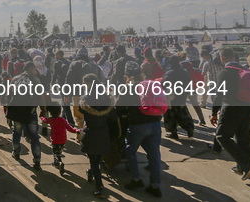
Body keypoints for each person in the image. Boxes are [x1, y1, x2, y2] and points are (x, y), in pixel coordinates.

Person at [117, 61, 163, 198]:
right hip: (155, 123)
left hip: (138, 124)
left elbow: (118, 106)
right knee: (154, 154)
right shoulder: (151, 84)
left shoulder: (130, 87)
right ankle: (155, 186)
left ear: (127, 75)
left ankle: (136, 179)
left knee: (130, 151)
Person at [210, 48, 250, 181]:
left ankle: (246, 164)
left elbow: (219, 94)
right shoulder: (246, 71)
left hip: (231, 107)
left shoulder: (225, 72)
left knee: (221, 136)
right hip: (247, 108)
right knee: (242, 138)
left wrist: (214, 113)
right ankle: (242, 167)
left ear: (222, 58)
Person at [79, 73, 115, 199]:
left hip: (91, 131)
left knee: (93, 160)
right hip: (103, 131)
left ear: (89, 83)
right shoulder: (106, 97)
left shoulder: (86, 99)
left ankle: (99, 186)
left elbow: (81, 110)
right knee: (98, 158)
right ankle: (92, 172)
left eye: (85, 83)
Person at [5, 61, 43, 170]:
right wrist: (43, 109)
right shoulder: (36, 81)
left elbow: (8, 95)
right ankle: (37, 159)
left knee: (16, 133)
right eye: (35, 69)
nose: (36, 71)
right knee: (34, 136)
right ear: (30, 68)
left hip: (17, 112)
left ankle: (16, 152)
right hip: (30, 113)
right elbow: (40, 97)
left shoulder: (15, 79)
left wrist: (9, 110)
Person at [40, 106, 80, 175]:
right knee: (60, 151)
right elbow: (69, 128)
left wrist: (42, 116)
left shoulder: (51, 120)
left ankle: (58, 162)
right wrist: (76, 131)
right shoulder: (62, 120)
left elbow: (45, 120)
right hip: (63, 139)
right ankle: (58, 161)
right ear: (60, 112)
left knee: (55, 152)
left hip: (55, 140)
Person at [162, 56, 194, 139]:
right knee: (183, 113)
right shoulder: (184, 71)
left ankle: (173, 133)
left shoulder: (169, 72)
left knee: (170, 115)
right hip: (182, 96)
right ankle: (189, 129)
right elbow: (189, 82)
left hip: (171, 97)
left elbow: (164, 84)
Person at [54, 50, 75, 126]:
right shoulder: (69, 62)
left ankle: (71, 121)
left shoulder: (57, 63)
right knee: (66, 100)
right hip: (70, 83)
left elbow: (55, 74)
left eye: (56, 55)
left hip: (62, 84)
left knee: (65, 101)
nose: (55, 56)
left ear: (59, 55)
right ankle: (63, 116)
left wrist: (53, 84)